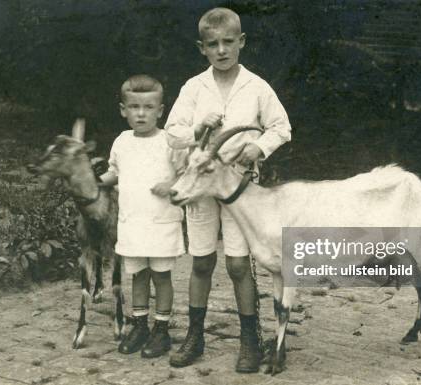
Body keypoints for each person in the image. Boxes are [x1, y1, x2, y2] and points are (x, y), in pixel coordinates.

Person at [165, 7, 291, 372]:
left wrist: (259, 147)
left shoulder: (256, 87)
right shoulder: (194, 87)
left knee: (238, 264)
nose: (221, 50)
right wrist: (196, 128)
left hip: (239, 190)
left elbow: (281, 127)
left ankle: (249, 339)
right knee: (202, 260)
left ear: (241, 43)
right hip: (201, 187)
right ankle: (195, 335)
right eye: (213, 44)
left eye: (228, 42)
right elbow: (173, 133)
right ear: (201, 48)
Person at [99, 74, 186, 358]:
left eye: (148, 108)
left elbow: (188, 177)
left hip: (161, 222)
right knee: (137, 276)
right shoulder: (122, 141)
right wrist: (95, 181)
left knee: (161, 277)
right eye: (134, 107)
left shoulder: (170, 143)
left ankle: (161, 330)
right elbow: (115, 172)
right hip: (133, 224)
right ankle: (140, 326)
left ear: (160, 111)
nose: (141, 114)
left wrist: (172, 186)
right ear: (124, 110)